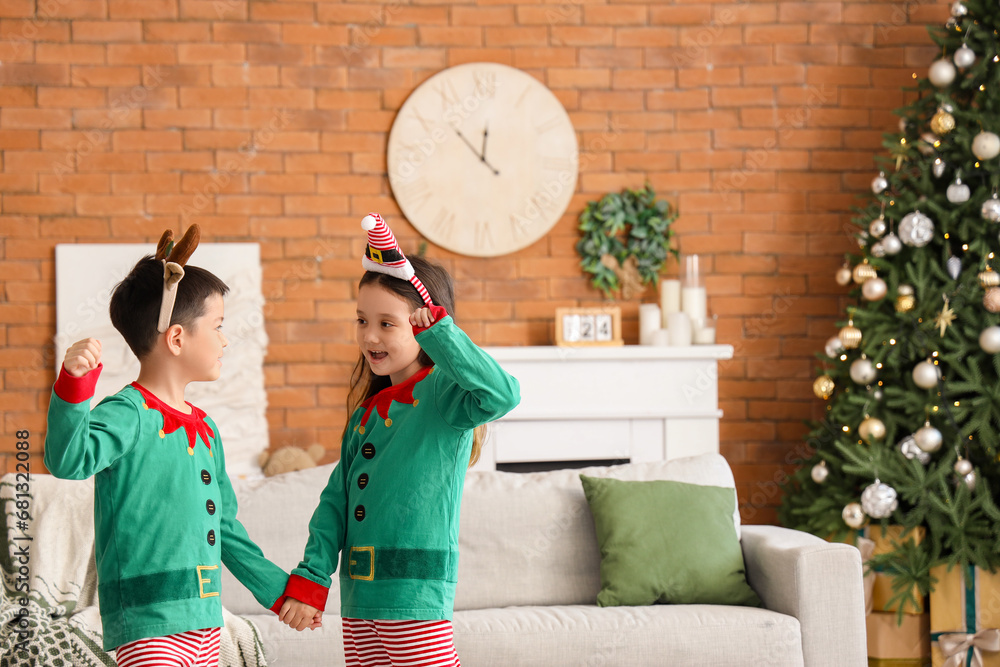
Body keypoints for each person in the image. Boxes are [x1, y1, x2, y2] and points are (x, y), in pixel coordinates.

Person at [44, 226, 316, 667]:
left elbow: (226, 528)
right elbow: (68, 461)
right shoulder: (127, 412)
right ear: (176, 339)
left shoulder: (205, 429)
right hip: (148, 623)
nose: (225, 339)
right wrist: (74, 388)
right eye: (218, 326)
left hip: (206, 623)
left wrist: (281, 592)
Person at [277, 214, 520, 666]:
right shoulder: (366, 415)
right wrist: (312, 579)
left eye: (387, 323)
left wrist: (441, 333)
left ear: (422, 325)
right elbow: (335, 504)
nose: (369, 336)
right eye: (362, 320)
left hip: (414, 601)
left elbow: (502, 393)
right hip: (360, 603)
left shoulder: (445, 397)